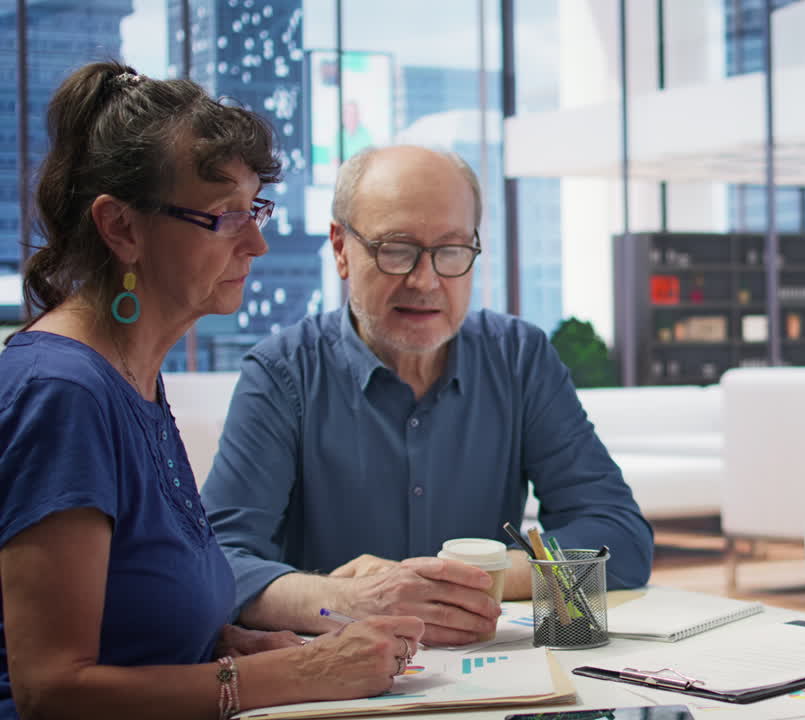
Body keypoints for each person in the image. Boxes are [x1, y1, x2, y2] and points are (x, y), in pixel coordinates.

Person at [0, 62, 427, 720]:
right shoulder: (63, 392)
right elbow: (52, 690)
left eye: (255, 208)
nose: (255, 242)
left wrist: (232, 644)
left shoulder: (132, 372)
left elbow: (133, 619)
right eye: (226, 216)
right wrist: (298, 672)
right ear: (121, 228)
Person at [201, 145, 653, 645]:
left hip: (490, 673)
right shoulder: (283, 373)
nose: (426, 279)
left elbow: (621, 540)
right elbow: (217, 563)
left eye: (452, 250)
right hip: (335, 679)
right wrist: (348, 600)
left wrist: (479, 577)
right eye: (396, 249)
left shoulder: (518, 358)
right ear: (340, 249)